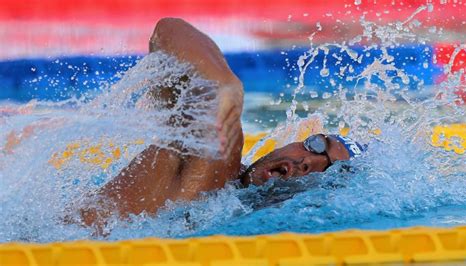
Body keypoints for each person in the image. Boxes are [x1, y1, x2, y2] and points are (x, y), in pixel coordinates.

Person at [78, 18, 364, 229]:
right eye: (317, 145)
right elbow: (166, 32)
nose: (307, 163)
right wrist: (223, 82)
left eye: (329, 171)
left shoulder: (235, 213)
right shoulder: (215, 154)